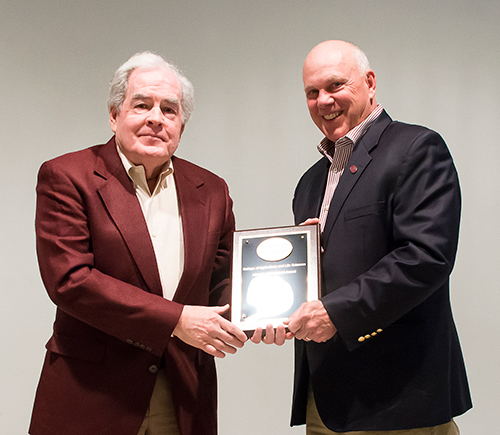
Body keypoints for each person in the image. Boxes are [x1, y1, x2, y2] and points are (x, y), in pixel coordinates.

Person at [254, 40, 472, 434]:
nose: (324, 100)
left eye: (335, 85)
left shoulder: (415, 149)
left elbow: (426, 257)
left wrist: (336, 312)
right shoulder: (310, 182)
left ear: (370, 83)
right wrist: (269, 313)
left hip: (399, 400)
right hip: (326, 401)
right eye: (312, 92)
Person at [29, 51, 248, 435]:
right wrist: (177, 319)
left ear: (182, 124)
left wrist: (272, 308)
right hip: (91, 394)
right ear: (114, 115)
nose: (155, 118)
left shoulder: (212, 190)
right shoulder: (67, 176)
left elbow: (224, 282)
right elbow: (71, 281)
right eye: (142, 105)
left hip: (181, 396)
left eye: (169, 109)